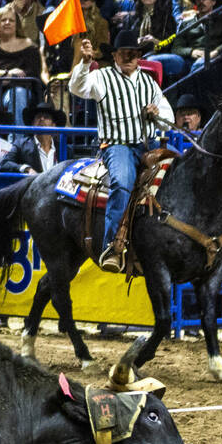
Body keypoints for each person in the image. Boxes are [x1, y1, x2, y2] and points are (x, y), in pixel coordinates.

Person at [68, 29, 176, 273]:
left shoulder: (149, 82)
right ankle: (111, 246)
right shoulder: (102, 77)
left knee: (179, 174)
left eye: (134, 54)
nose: (129, 58)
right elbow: (77, 88)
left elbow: (168, 117)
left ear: (139, 56)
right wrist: (85, 63)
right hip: (116, 146)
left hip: (147, 145)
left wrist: (156, 116)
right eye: (124, 53)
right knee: (123, 182)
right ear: (114, 55)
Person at [0, 3, 41, 122]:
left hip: (17, 89)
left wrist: (10, 80)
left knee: (18, 94)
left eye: (11, 20)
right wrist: (7, 73)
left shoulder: (29, 46)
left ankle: (18, 138)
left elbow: (33, 71)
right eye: (3, 20)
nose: (7, 23)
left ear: (17, 24)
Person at [170, 0, 222, 73]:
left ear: (213, 2)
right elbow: (176, 48)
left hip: (215, 60)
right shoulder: (186, 23)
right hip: (190, 60)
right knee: (161, 60)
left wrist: (216, 52)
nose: (201, 2)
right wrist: (191, 52)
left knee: (201, 64)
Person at [0, 101, 66, 174]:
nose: (42, 119)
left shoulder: (63, 148)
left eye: (46, 117)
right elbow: (4, 164)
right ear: (32, 123)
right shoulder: (21, 145)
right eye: (38, 117)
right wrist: (26, 169)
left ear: (54, 125)